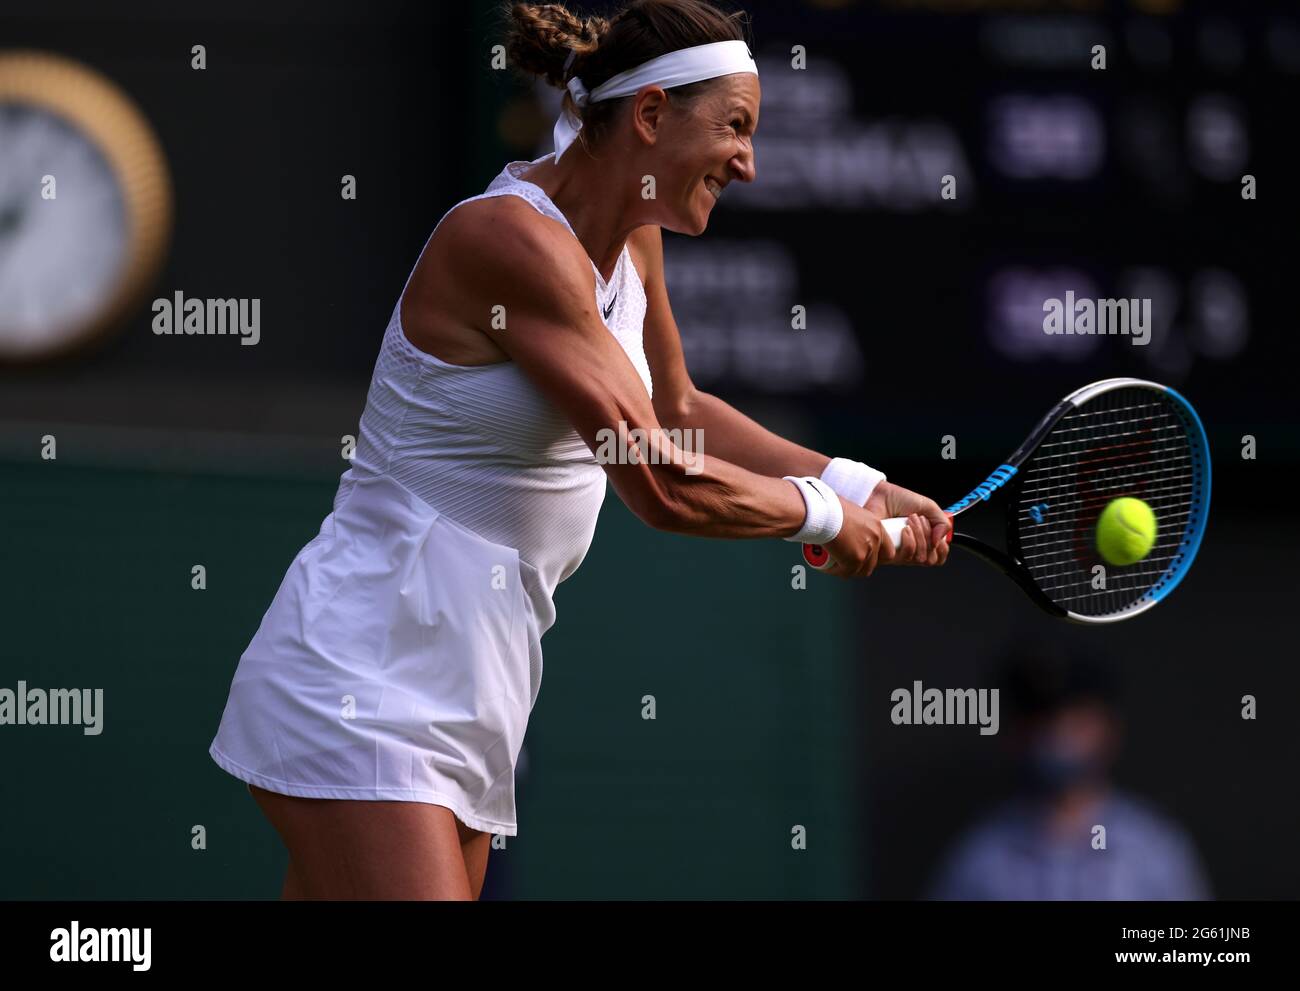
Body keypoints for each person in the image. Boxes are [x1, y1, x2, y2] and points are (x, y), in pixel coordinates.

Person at [208, 0, 951, 901]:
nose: (749, 162)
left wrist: (857, 480)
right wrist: (824, 518)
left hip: (477, 686)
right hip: (364, 673)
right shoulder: (508, 240)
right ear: (649, 116)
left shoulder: (633, 238)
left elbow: (677, 407)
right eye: (736, 127)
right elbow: (660, 481)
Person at [928, 645, 1211, 900]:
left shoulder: (1154, 850)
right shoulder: (980, 856)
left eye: (1075, 719)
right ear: (1013, 733)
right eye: (1038, 720)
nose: (1056, 736)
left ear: (1108, 729)